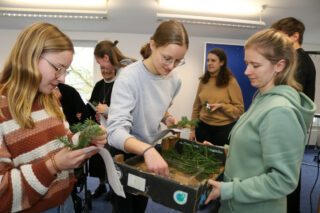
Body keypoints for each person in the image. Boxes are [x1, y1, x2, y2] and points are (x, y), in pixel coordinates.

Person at [204, 29, 316, 213]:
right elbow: (255, 150)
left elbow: (283, 180)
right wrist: (220, 152)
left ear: (279, 65)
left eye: (255, 65)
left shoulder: (280, 111)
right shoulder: (262, 98)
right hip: (236, 205)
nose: (247, 71)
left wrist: (229, 189)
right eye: (247, 63)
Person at [0, 22, 107, 213]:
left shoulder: (51, 98)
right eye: (58, 68)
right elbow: (3, 193)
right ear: (30, 56)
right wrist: (54, 165)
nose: (62, 78)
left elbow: (62, 143)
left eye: (65, 70)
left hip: (64, 203)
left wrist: (83, 140)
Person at [107, 20, 189, 213]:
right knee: (124, 207)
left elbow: (159, 107)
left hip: (147, 151)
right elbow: (115, 132)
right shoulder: (129, 77)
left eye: (178, 61)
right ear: (152, 45)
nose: (171, 66)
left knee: (140, 204)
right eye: (167, 58)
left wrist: (166, 118)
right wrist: (147, 150)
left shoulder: (175, 80)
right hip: (124, 150)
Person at [271, 17, 317, 213]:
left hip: (290, 127)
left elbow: (288, 99)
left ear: (295, 36)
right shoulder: (298, 60)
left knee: (286, 179)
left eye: (280, 36)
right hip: (292, 126)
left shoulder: (298, 61)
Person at [88, 40, 135, 199]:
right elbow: (93, 103)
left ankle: (114, 190)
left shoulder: (124, 79)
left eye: (102, 65)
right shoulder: (99, 85)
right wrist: (96, 112)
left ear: (107, 58)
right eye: (101, 68)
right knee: (100, 160)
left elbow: (129, 109)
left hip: (116, 131)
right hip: (102, 129)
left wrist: (108, 111)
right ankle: (103, 186)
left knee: (114, 164)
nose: (104, 71)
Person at [189, 48, 244, 146]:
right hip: (202, 127)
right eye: (208, 60)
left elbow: (239, 110)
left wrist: (222, 106)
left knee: (219, 160)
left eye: (213, 60)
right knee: (203, 159)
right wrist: (192, 130)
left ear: (222, 62)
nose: (209, 63)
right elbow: (196, 107)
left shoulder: (231, 82)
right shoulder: (203, 81)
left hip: (224, 130)